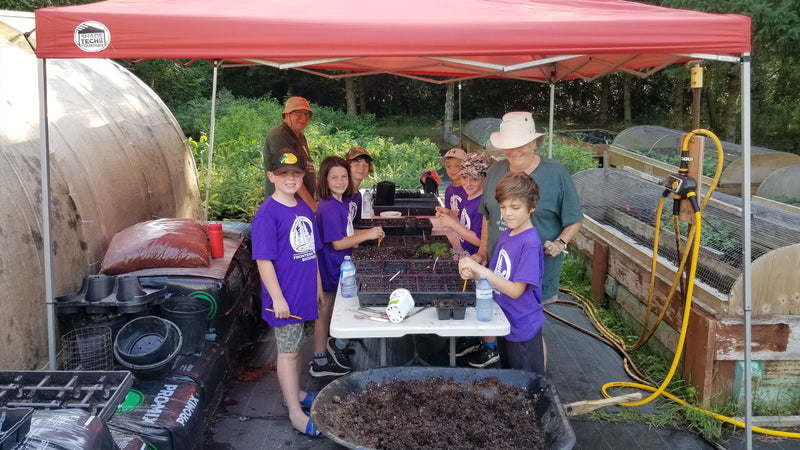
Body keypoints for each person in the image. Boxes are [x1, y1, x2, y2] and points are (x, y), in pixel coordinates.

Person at [474, 111, 583, 305]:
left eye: (521, 143)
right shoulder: (495, 171)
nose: (514, 150)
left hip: (537, 279)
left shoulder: (556, 174)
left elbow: (575, 220)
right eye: (508, 145)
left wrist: (559, 243)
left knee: (532, 328)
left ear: (534, 142)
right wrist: (482, 252)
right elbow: (487, 215)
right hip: (497, 272)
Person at [251, 148, 323, 437]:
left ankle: (294, 391)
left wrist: (317, 285)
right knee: (288, 352)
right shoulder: (267, 214)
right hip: (286, 299)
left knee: (299, 347)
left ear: (302, 176)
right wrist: (277, 298)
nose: (290, 179)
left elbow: (313, 252)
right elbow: (263, 259)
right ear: (272, 177)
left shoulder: (303, 208)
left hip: (305, 294)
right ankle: (294, 412)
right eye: (283, 174)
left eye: (296, 174)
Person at [458, 172, 545, 373]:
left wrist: (481, 270)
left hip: (522, 327)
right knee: (510, 378)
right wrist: (474, 273)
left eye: (515, 207)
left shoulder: (530, 243)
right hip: (504, 321)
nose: (508, 213)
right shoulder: (508, 233)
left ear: (531, 207)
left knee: (526, 384)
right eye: (503, 207)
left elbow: (515, 290)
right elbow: (497, 275)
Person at [311, 156, 385, 377]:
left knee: (331, 309)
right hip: (331, 265)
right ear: (324, 179)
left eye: (343, 176)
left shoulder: (340, 202)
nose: (341, 181)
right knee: (324, 311)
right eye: (334, 177)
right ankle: (319, 360)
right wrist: (369, 234)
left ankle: (333, 346)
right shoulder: (329, 208)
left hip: (339, 264)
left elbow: (347, 233)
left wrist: (367, 234)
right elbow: (338, 242)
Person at [263, 96, 318, 212]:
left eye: (307, 114)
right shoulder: (279, 135)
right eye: (298, 113)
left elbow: (307, 168)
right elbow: (289, 174)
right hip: (284, 206)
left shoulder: (301, 137)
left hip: (299, 205)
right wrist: (312, 205)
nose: (304, 118)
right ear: (287, 114)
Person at [435, 152, 492, 256]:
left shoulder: (482, 203)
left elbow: (480, 241)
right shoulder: (467, 196)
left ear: (484, 178)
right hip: (465, 250)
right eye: (464, 177)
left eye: (475, 178)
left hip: (476, 257)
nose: (468, 184)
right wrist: (449, 214)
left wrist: (453, 224)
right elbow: (463, 223)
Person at [434, 148, 467, 219]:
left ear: (466, 167)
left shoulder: (469, 189)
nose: (452, 170)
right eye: (448, 166)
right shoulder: (449, 190)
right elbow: (448, 211)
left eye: (457, 166)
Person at [345, 146, 373, 222]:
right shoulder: (342, 193)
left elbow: (357, 224)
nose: (361, 168)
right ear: (348, 166)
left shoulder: (358, 195)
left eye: (365, 165)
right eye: (357, 164)